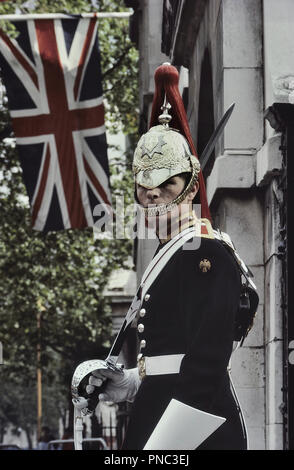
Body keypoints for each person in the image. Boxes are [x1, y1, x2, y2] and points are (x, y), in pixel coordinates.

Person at [86, 64, 259, 450]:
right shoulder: (169, 257)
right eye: (146, 186)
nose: (154, 194)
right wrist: (129, 383)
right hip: (158, 411)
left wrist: (166, 444)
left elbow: (206, 364)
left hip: (195, 425)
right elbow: (167, 359)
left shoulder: (207, 253)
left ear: (190, 186)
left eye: (168, 184)